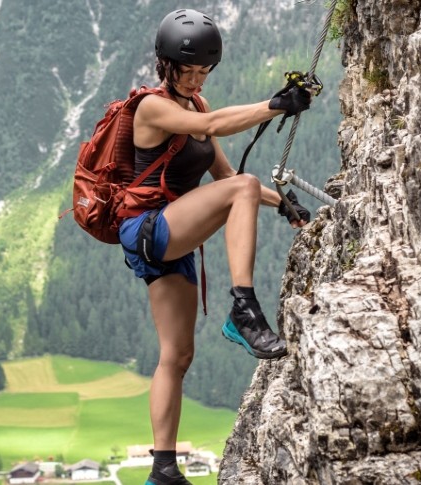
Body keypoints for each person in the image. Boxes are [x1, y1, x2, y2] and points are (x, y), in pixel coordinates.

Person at [120, 9, 315, 485]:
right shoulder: (150, 107)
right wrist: (275, 105)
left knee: (177, 355)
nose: (194, 78)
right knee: (245, 185)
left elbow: (227, 179)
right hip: (150, 227)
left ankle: (162, 470)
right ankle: (243, 310)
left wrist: (283, 206)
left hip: (172, 235)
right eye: (186, 69)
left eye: (203, 71)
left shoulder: (197, 107)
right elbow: (226, 128)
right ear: (165, 64)